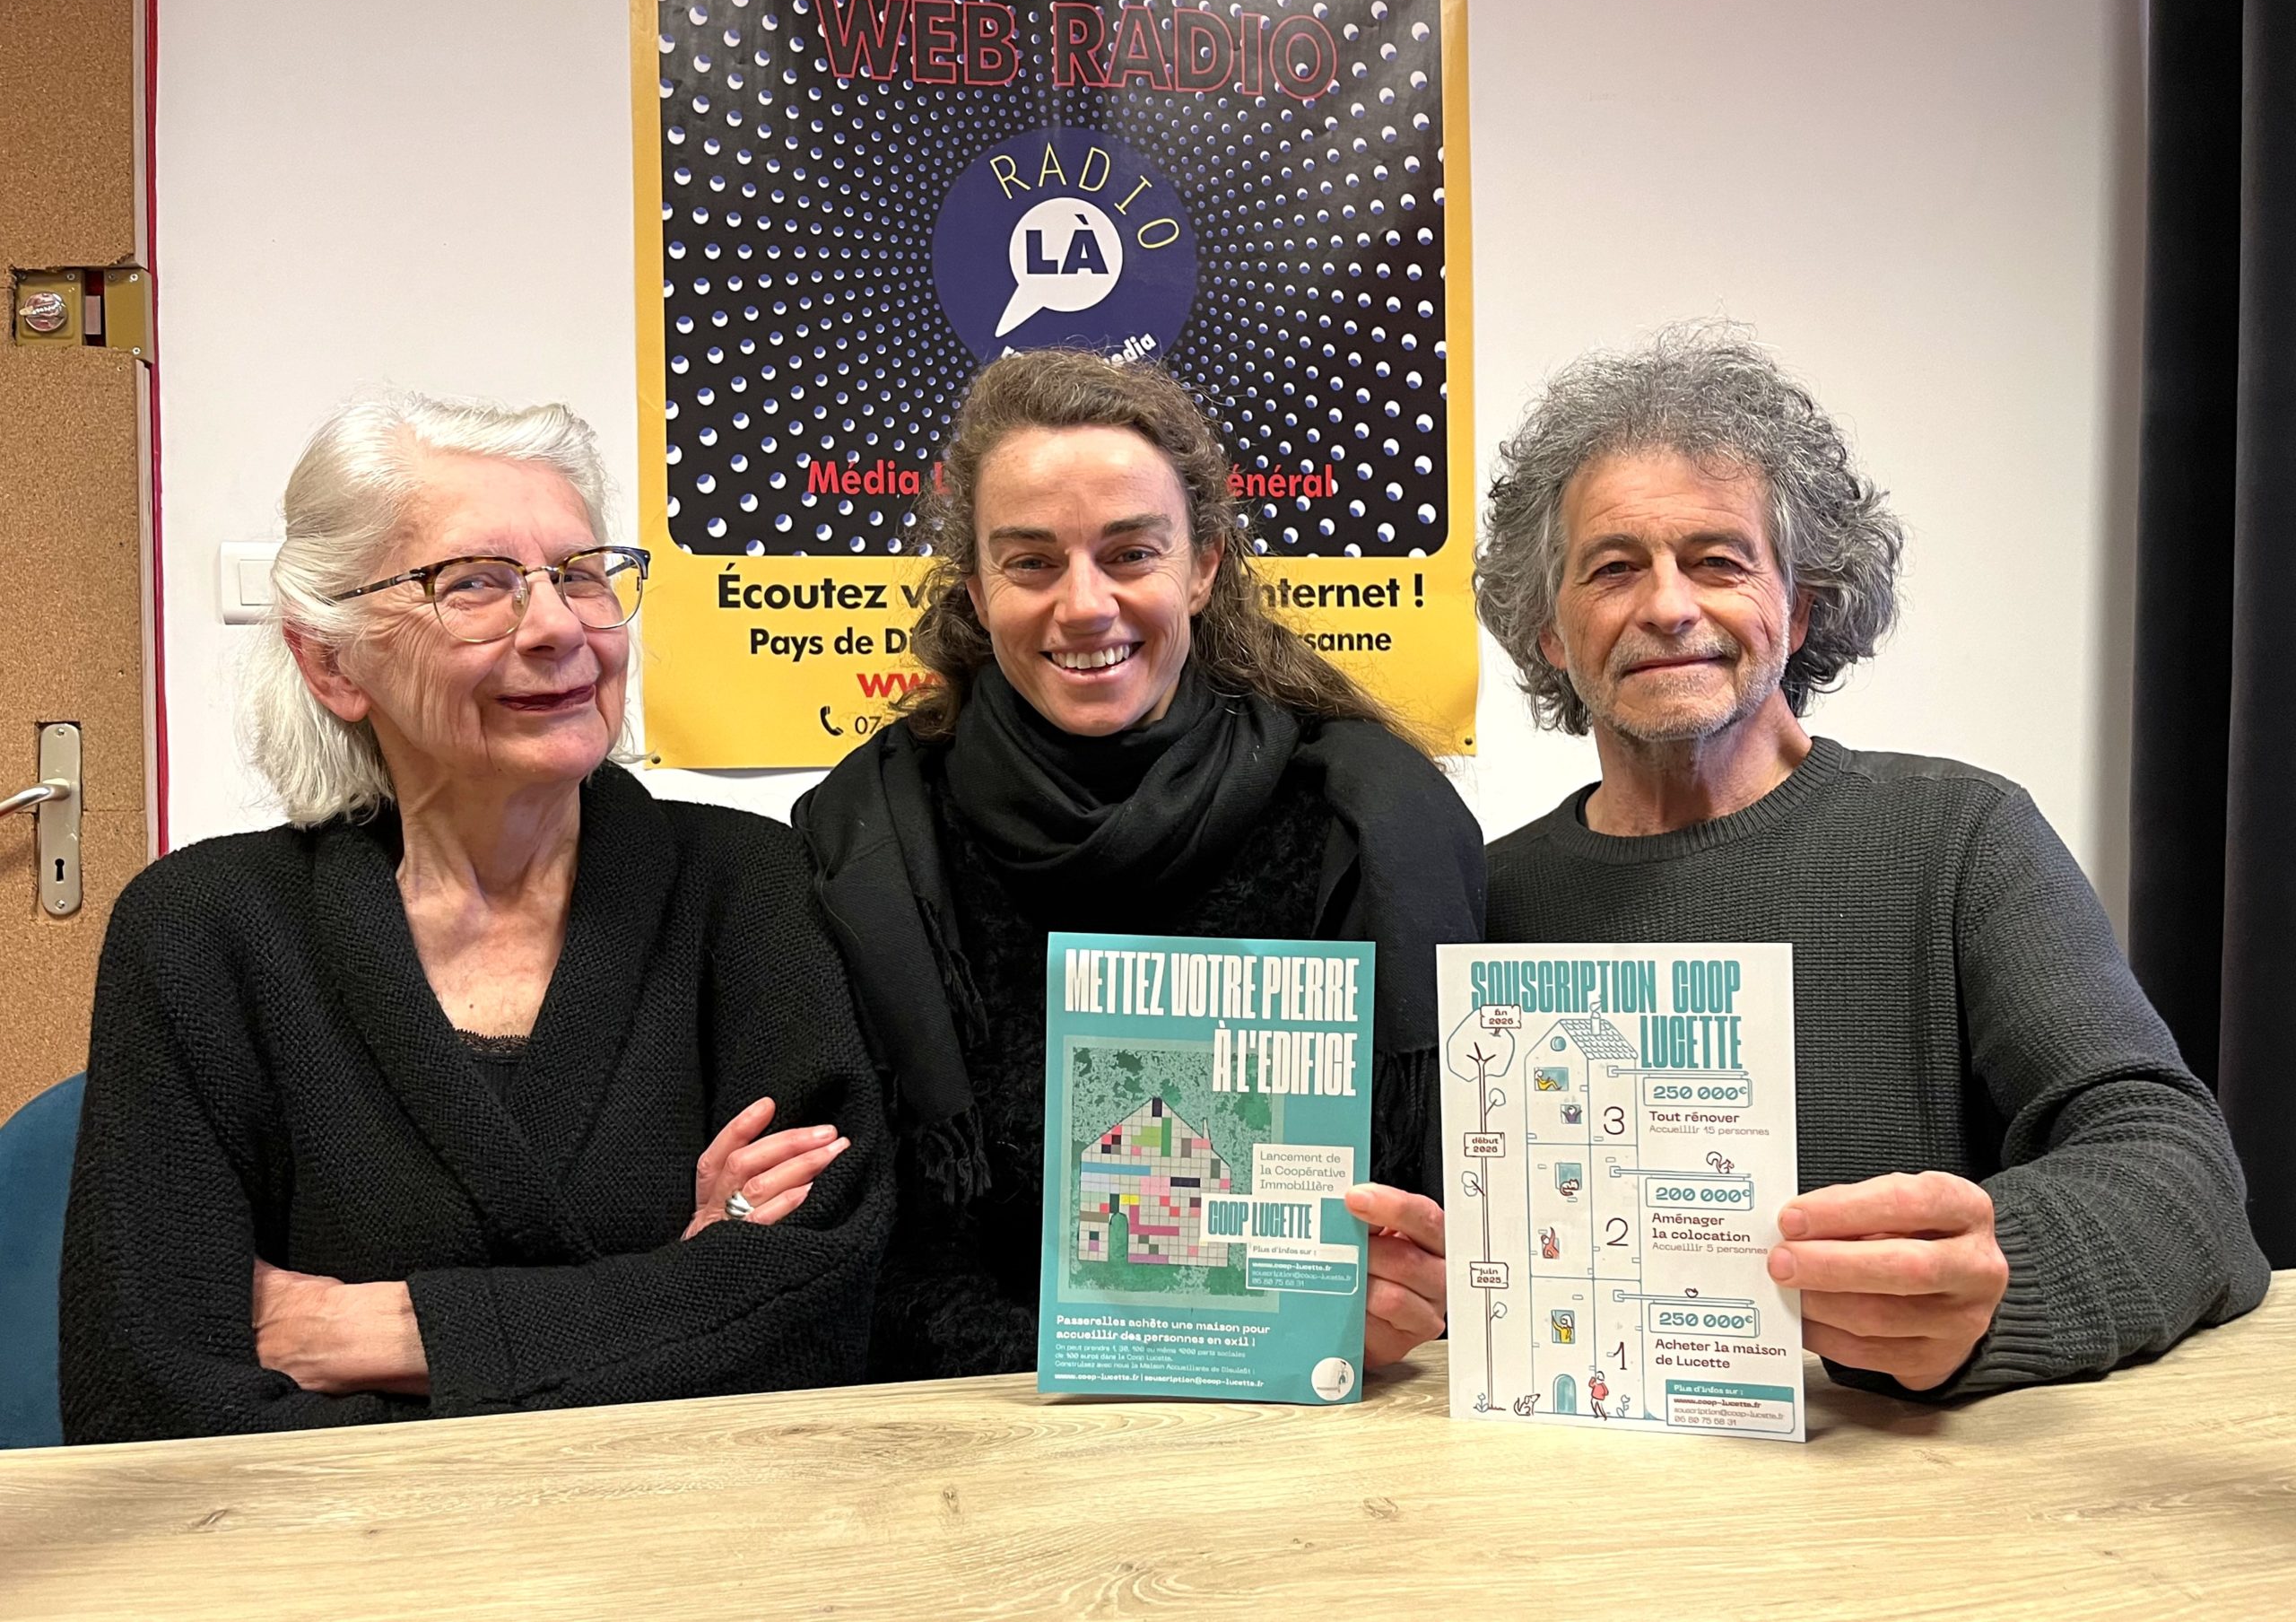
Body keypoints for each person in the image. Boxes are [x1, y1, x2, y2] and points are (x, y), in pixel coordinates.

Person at [60, 392, 891, 1442]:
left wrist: (388, 1333)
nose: (557, 627)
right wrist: (677, 1288)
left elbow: (811, 1317)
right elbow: (148, 1390)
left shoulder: (749, 885)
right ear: (332, 661)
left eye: (581, 574)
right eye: (476, 585)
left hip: (694, 1535)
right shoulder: (205, 932)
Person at [1474, 324, 2269, 1399]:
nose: (1667, 604)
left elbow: (2178, 1171)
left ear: (1798, 608)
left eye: (1718, 560)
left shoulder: (1959, 836)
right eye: (1614, 567)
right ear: (1550, 634)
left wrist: (1999, 1279)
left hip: (1901, 1502)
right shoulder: (1485, 896)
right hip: (1562, 1487)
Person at [795, 349, 1482, 1381]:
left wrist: (1409, 1291)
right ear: (977, 590)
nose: (1083, 604)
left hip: (1307, 1426)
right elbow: (863, 1249)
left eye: (1129, 553)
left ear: (1201, 565)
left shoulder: (1363, 823)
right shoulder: (866, 841)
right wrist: (1121, 1357)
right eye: (1030, 561)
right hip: (973, 1423)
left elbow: (1449, 1223)